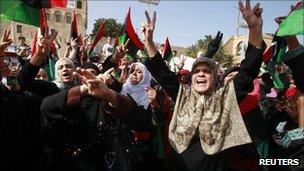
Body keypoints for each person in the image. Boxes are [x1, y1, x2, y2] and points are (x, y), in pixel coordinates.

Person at [141, 0, 265, 170]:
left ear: (215, 78)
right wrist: (148, 42)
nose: (200, 73)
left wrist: (254, 29)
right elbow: (163, 74)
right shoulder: (182, 96)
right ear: (191, 78)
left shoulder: (225, 100)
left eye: (206, 71)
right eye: (196, 71)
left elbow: (248, 70)